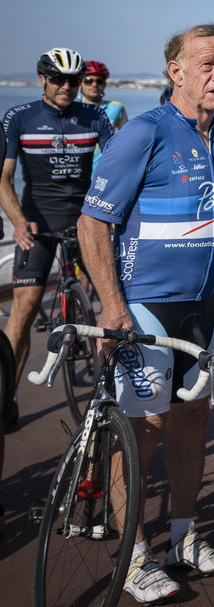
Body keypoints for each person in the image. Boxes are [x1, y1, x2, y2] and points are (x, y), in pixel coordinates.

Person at [79, 24, 214, 602]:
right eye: (206, 64)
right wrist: (112, 306)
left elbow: (208, 216)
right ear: (176, 71)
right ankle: (134, 556)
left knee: (193, 422)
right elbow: (93, 223)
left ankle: (184, 538)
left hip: (201, 309)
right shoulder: (143, 131)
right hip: (144, 308)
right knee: (143, 433)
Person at [2, 48, 113, 386]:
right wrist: (18, 221)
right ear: (42, 79)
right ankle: (8, 394)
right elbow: (4, 178)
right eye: (58, 79)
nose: (66, 86)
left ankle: (115, 391)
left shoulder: (94, 117)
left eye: (74, 80)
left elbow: (118, 167)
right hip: (37, 223)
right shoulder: (19, 117)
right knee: (25, 307)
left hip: (84, 221)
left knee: (114, 301)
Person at [79, 60, 127, 130]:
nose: (94, 85)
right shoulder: (71, 108)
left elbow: (127, 134)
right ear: (80, 83)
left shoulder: (116, 108)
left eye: (99, 81)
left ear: (104, 84)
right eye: (89, 81)